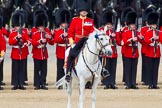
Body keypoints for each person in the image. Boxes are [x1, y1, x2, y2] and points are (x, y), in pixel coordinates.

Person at [65, 0, 94, 88]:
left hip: (87, 42)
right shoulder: (75, 20)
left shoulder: (90, 21)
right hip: (77, 42)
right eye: (82, 10)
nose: (84, 11)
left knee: (96, 54)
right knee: (71, 55)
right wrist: (72, 43)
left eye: (85, 10)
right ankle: (68, 73)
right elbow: (70, 33)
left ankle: (99, 72)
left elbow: (92, 32)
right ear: (79, 11)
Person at [98, 9, 121, 89]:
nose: (110, 26)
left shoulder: (114, 31)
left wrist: (116, 35)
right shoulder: (101, 30)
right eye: (108, 24)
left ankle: (112, 82)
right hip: (105, 52)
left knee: (113, 68)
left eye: (111, 24)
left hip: (113, 52)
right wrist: (110, 36)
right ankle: (106, 82)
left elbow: (118, 43)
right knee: (106, 67)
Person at [9, 11, 31, 90]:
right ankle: (15, 84)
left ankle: (21, 83)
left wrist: (28, 43)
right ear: (14, 27)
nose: (18, 27)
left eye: (19, 26)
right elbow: (10, 42)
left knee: (22, 69)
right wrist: (17, 38)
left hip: (23, 53)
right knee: (15, 70)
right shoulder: (12, 33)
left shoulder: (23, 33)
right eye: (17, 26)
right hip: (15, 53)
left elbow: (28, 39)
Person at [31, 12, 54, 90]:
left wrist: (50, 37)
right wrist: (40, 42)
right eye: (40, 26)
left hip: (44, 54)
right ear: (38, 26)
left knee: (44, 70)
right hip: (37, 53)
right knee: (37, 69)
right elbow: (33, 43)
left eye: (43, 26)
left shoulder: (46, 31)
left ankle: (43, 83)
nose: (42, 28)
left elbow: (52, 43)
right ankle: (37, 84)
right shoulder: (35, 32)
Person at [54, 8, 71, 89]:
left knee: (68, 69)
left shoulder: (70, 31)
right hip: (60, 52)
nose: (65, 25)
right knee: (60, 69)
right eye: (63, 23)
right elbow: (55, 40)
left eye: (66, 23)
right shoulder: (57, 31)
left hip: (68, 52)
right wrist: (62, 36)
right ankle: (60, 84)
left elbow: (72, 41)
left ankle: (67, 83)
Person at [122, 11, 139, 89]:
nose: (133, 26)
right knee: (128, 68)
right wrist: (131, 39)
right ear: (129, 25)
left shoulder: (137, 32)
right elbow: (125, 42)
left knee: (134, 68)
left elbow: (143, 41)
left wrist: (142, 38)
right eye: (132, 25)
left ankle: (133, 83)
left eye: (134, 25)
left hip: (135, 52)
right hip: (128, 52)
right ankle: (128, 83)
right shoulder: (125, 32)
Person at [145, 12, 161, 89]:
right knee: (150, 69)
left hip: (157, 52)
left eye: (155, 24)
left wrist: (159, 38)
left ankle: (154, 83)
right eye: (153, 24)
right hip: (150, 52)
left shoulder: (159, 32)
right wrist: (152, 39)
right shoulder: (148, 32)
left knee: (155, 69)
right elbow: (146, 41)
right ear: (151, 25)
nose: (155, 25)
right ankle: (150, 84)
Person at [139, 7, 155, 85]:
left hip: (151, 49)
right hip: (145, 49)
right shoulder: (143, 29)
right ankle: (144, 79)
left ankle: (150, 79)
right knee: (145, 65)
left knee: (150, 66)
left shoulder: (154, 30)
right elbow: (142, 40)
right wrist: (142, 39)